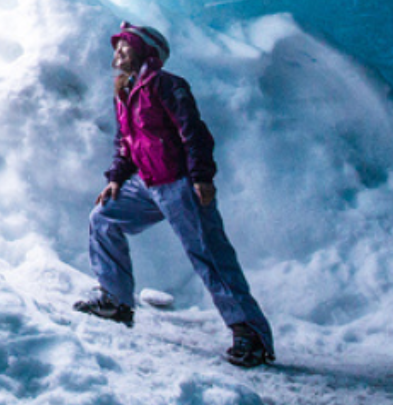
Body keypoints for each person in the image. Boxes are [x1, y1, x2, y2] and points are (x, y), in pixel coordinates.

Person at [72, 22, 275, 368]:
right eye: (116, 46)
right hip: (146, 184)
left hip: (180, 183)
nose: (117, 52)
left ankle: (251, 335)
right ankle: (116, 301)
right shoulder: (125, 90)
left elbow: (193, 132)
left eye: (126, 45)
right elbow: (125, 143)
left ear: (146, 52)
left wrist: (201, 177)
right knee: (104, 217)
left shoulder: (168, 85)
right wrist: (117, 178)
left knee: (209, 253)